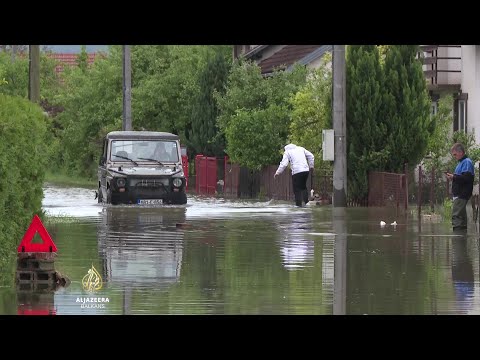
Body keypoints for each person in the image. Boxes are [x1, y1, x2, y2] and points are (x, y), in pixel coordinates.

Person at [446, 143, 474, 231]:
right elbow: (461, 178)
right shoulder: (461, 163)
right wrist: (453, 178)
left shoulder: (466, 162)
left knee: (457, 216)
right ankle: (462, 240)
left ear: (461, 152)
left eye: (455, 154)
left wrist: (453, 177)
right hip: (459, 194)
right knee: (461, 217)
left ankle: (457, 240)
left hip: (462, 194)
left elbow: (466, 178)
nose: (454, 156)